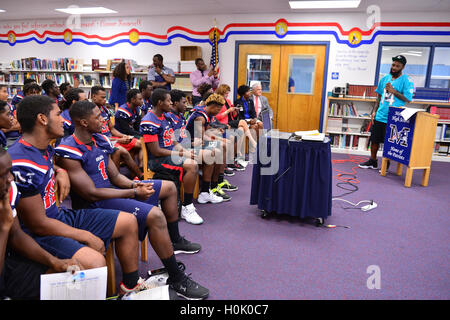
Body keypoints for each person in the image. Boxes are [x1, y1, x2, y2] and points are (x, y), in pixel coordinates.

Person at [55, 100, 208, 300]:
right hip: (94, 204)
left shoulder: (98, 139)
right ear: (83, 122)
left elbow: (116, 177)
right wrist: (133, 193)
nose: (103, 120)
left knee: (169, 188)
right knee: (155, 215)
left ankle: (175, 241)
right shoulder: (69, 149)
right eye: (98, 117)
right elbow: (91, 193)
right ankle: (176, 277)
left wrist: (136, 185)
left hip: (111, 193)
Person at [8, 95, 153, 296]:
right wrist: (86, 235)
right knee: (95, 261)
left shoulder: (43, 148)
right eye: (58, 114)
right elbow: (37, 224)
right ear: (42, 119)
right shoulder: (22, 163)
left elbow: (48, 165)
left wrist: (60, 171)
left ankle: (130, 286)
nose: (63, 119)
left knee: (129, 222)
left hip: (58, 216)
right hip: (38, 232)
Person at [0, 149, 80, 299]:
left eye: (10, 172)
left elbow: (16, 235)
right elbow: (8, 230)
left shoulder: (8, 191)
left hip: (7, 261)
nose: (11, 178)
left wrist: (55, 261)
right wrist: (4, 227)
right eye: (3, 175)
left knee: (65, 276)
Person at [140, 88, 209, 225]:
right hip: (158, 160)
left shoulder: (165, 117)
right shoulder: (148, 121)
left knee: (196, 157)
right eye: (168, 101)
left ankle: (199, 195)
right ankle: (187, 207)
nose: (171, 103)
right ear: (160, 103)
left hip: (170, 155)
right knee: (191, 165)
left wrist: (184, 150)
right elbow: (156, 151)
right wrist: (181, 154)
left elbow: (173, 140)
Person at [359, 55, 414, 170]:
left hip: (394, 117)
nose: (394, 67)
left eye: (397, 66)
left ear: (402, 67)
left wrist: (393, 91)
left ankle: (385, 164)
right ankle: (373, 161)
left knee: (389, 143)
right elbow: (378, 96)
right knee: (374, 140)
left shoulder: (406, 80)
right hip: (380, 115)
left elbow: (408, 99)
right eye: (393, 65)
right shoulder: (384, 78)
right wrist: (374, 111)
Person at [186, 93, 236, 202]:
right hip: (190, 144)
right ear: (213, 107)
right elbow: (201, 138)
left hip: (198, 142)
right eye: (218, 110)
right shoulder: (200, 117)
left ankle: (217, 183)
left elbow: (207, 133)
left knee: (224, 143)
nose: (219, 113)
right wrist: (217, 140)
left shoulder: (206, 113)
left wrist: (219, 138)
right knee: (219, 148)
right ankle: (210, 188)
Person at [91, 85, 143, 180]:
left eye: (105, 97)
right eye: (102, 97)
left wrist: (125, 136)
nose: (105, 99)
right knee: (120, 151)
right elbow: (96, 136)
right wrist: (119, 140)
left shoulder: (104, 109)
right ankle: (118, 179)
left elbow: (112, 129)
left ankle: (137, 175)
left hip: (111, 139)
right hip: (102, 142)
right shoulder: (90, 112)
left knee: (139, 144)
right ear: (94, 96)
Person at [215, 84, 256, 168]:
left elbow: (233, 116)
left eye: (228, 93)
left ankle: (235, 156)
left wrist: (235, 111)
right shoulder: (218, 102)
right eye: (226, 93)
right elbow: (217, 117)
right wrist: (228, 111)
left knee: (241, 129)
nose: (227, 95)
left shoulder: (228, 101)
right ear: (222, 92)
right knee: (242, 122)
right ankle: (252, 142)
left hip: (231, 121)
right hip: (223, 123)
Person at [113, 89, 144, 169]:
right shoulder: (122, 111)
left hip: (131, 134)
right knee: (143, 143)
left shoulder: (137, 109)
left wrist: (142, 134)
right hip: (121, 135)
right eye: (140, 99)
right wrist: (141, 135)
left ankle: (140, 165)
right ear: (133, 100)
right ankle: (141, 166)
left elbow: (137, 127)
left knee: (146, 140)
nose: (142, 101)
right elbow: (126, 130)